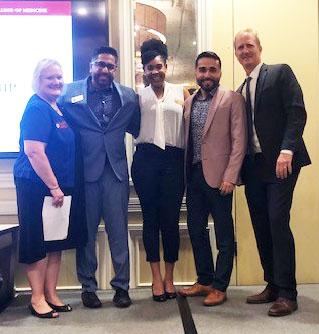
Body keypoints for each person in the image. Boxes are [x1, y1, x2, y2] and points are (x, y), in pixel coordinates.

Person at [234, 28, 311, 316]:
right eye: (239, 47)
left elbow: (296, 111)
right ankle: (273, 285)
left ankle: (288, 293)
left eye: (249, 45)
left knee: (278, 221)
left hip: (282, 162)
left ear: (259, 47)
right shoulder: (241, 89)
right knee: (261, 224)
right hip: (254, 168)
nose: (244, 51)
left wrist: (287, 149)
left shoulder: (279, 73)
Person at [59, 46, 140, 309]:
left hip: (115, 173)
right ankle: (88, 288)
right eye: (100, 65)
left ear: (115, 69)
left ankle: (122, 287)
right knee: (87, 234)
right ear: (91, 65)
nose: (105, 70)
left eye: (110, 66)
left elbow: (137, 128)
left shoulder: (129, 97)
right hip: (85, 174)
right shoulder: (68, 94)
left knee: (119, 233)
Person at [13, 59, 87, 318]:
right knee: (38, 244)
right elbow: (33, 152)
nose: (56, 82)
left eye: (59, 77)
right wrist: (54, 186)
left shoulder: (56, 106)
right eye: (49, 79)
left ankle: (51, 294)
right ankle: (37, 298)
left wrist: (59, 187)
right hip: (37, 188)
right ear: (38, 81)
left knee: (55, 243)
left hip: (58, 188)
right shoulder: (36, 108)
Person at [178, 52, 246, 306]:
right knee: (196, 230)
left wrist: (231, 176)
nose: (207, 75)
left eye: (212, 70)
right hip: (194, 176)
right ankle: (204, 279)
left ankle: (220, 285)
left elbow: (239, 141)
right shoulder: (189, 102)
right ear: (196, 72)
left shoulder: (233, 99)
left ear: (220, 72)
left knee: (224, 234)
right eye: (202, 70)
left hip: (220, 179)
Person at [131, 39, 189, 302]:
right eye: (149, 68)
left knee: (171, 221)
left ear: (167, 66)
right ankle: (155, 277)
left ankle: (169, 276)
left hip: (174, 160)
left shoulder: (182, 93)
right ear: (144, 70)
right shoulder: (136, 97)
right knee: (150, 220)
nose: (155, 71)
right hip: (145, 161)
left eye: (159, 66)